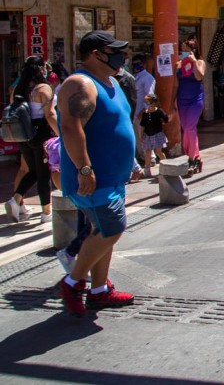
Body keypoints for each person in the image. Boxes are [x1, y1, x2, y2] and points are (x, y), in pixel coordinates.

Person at [55, 30, 136, 317]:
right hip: (92, 180)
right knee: (112, 229)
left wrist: (133, 163)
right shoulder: (80, 83)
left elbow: (118, 124)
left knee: (102, 232)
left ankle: (99, 290)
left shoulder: (111, 81)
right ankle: (73, 282)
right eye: (114, 51)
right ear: (94, 54)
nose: (120, 56)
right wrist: (84, 169)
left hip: (113, 178)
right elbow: (70, 128)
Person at [4, 56, 59, 223]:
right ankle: (46, 212)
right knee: (43, 174)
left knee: (33, 171)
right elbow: (49, 114)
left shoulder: (17, 89)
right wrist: (60, 133)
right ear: (41, 69)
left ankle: (16, 200)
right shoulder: (44, 88)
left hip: (23, 135)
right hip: (41, 133)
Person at [174, 38, 206, 175]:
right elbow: (175, 85)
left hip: (195, 99)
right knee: (186, 128)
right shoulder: (178, 65)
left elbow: (200, 77)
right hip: (182, 99)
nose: (184, 52)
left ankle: (191, 157)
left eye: (187, 49)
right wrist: (171, 102)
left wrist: (193, 61)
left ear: (193, 50)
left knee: (189, 127)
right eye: (183, 49)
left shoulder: (199, 62)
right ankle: (196, 155)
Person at [131, 53, 156, 163]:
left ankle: (150, 158)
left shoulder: (147, 78)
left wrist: (144, 110)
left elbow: (149, 95)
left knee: (144, 137)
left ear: (144, 64)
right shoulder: (134, 77)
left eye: (139, 64)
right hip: (135, 113)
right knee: (138, 137)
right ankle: (143, 158)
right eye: (134, 64)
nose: (136, 66)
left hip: (142, 112)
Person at [139, 94, 168, 178]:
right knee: (147, 152)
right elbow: (142, 125)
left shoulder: (159, 111)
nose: (148, 105)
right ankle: (147, 171)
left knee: (158, 151)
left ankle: (166, 167)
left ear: (154, 103)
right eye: (147, 103)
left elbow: (166, 119)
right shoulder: (145, 113)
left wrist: (163, 121)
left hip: (157, 134)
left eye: (149, 103)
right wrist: (141, 136)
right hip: (148, 135)